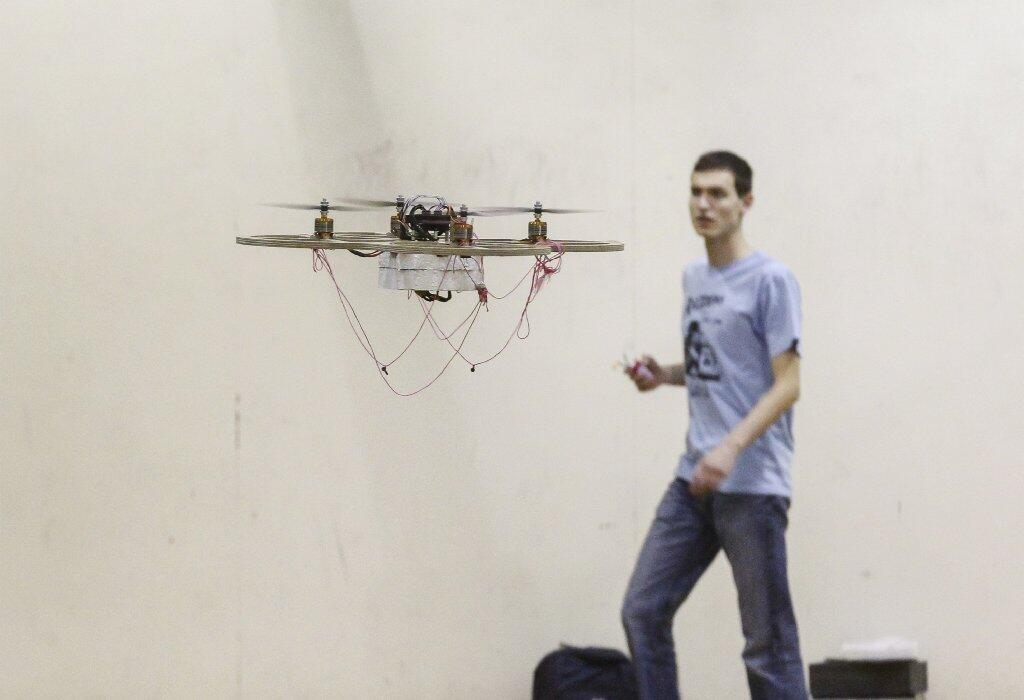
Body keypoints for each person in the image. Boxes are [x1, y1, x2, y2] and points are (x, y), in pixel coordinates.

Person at [620, 151, 808, 699]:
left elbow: (788, 383)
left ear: (745, 203)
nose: (704, 204)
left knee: (767, 646)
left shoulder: (771, 280)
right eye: (696, 192)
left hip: (751, 486)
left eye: (718, 194)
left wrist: (731, 446)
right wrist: (665, 375)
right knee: (643, 611)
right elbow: (720, 368)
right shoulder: (694, 278)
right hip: (693, 482)